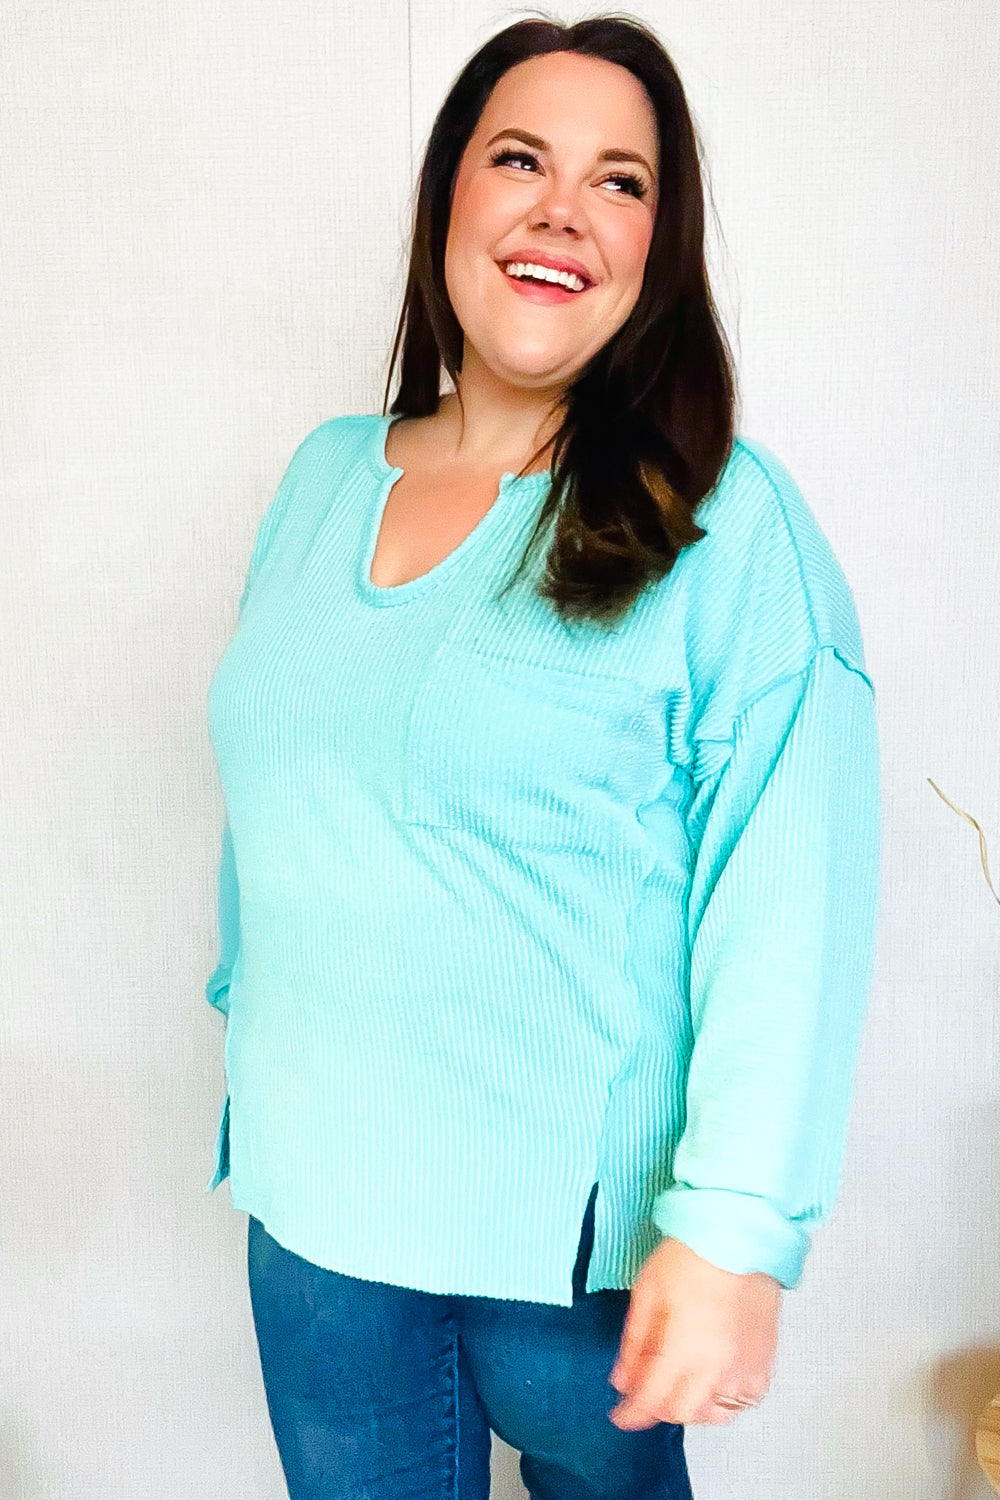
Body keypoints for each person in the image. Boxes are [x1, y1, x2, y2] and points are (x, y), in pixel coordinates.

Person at [202, 16, 881, 1500]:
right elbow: (292, 788)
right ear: (449, 193)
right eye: (521, 159)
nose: (563, 208)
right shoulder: (323, 476)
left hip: (574, 1264)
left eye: (619, 181)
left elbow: (792, 898)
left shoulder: (724, 521)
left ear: (656, 247)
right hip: (315, 1223)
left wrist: (736, 1228)